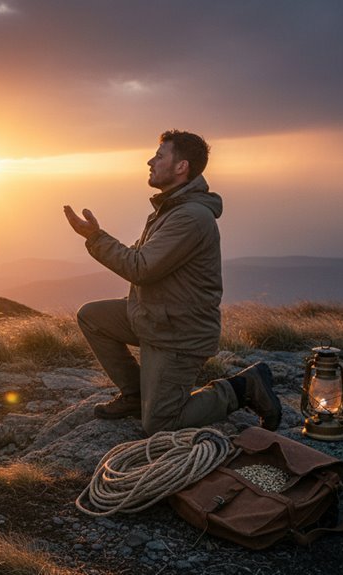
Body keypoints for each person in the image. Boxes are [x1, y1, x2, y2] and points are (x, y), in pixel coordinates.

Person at [63, 130, 282, 436]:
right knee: (92, 316)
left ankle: (244, 387)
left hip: (179, 333)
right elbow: (144, 259)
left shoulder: (190, 217)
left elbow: (140, 267)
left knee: (160, 424)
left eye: (160, 155)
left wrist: (95, 238)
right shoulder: (171, 209)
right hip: (156, 316)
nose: (150, 161)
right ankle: (136, 395)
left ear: (182, 167)